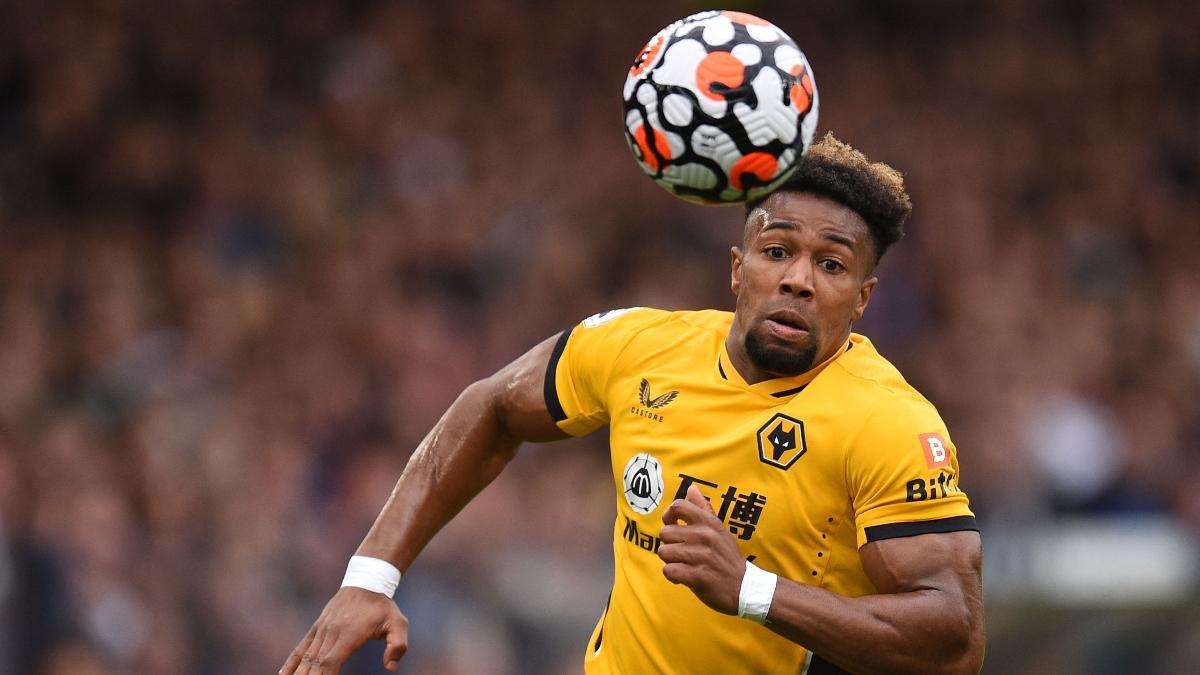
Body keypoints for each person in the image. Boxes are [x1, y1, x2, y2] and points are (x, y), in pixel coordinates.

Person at [281, 134, 985, 675]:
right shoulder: (640, 349)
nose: (798, 279)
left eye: (832, 265)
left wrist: (750, 588)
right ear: (738, 269)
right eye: (777, 251)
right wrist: (370, 576)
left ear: (862, 298)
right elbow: (491, 405)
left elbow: (955, 638)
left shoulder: (889, 421)